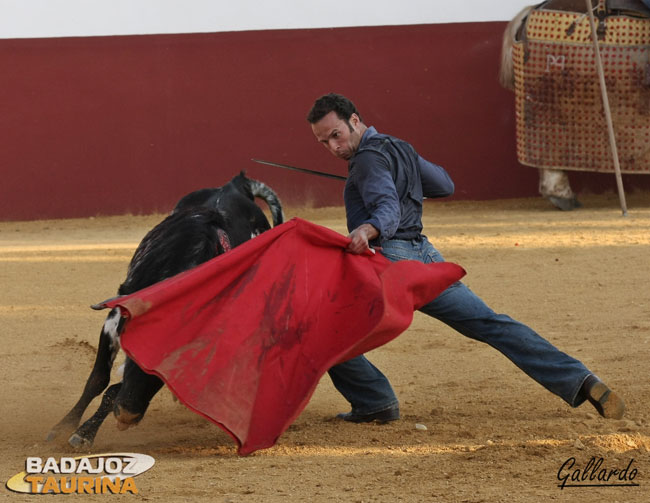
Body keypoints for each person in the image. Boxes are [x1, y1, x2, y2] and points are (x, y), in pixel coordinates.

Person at [306, 92, 625, 424]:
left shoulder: (367, 161)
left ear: (354, 120)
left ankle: (374, 401)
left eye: (335, 135)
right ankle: (581, 379)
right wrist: (403, 178)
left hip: (391, 265)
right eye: (324, 142)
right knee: (491, 324)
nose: (333, 147)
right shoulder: (398, 146)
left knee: (323, 330)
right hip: (428, 259)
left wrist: (369, 228)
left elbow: (386, 207)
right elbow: (444, 185)